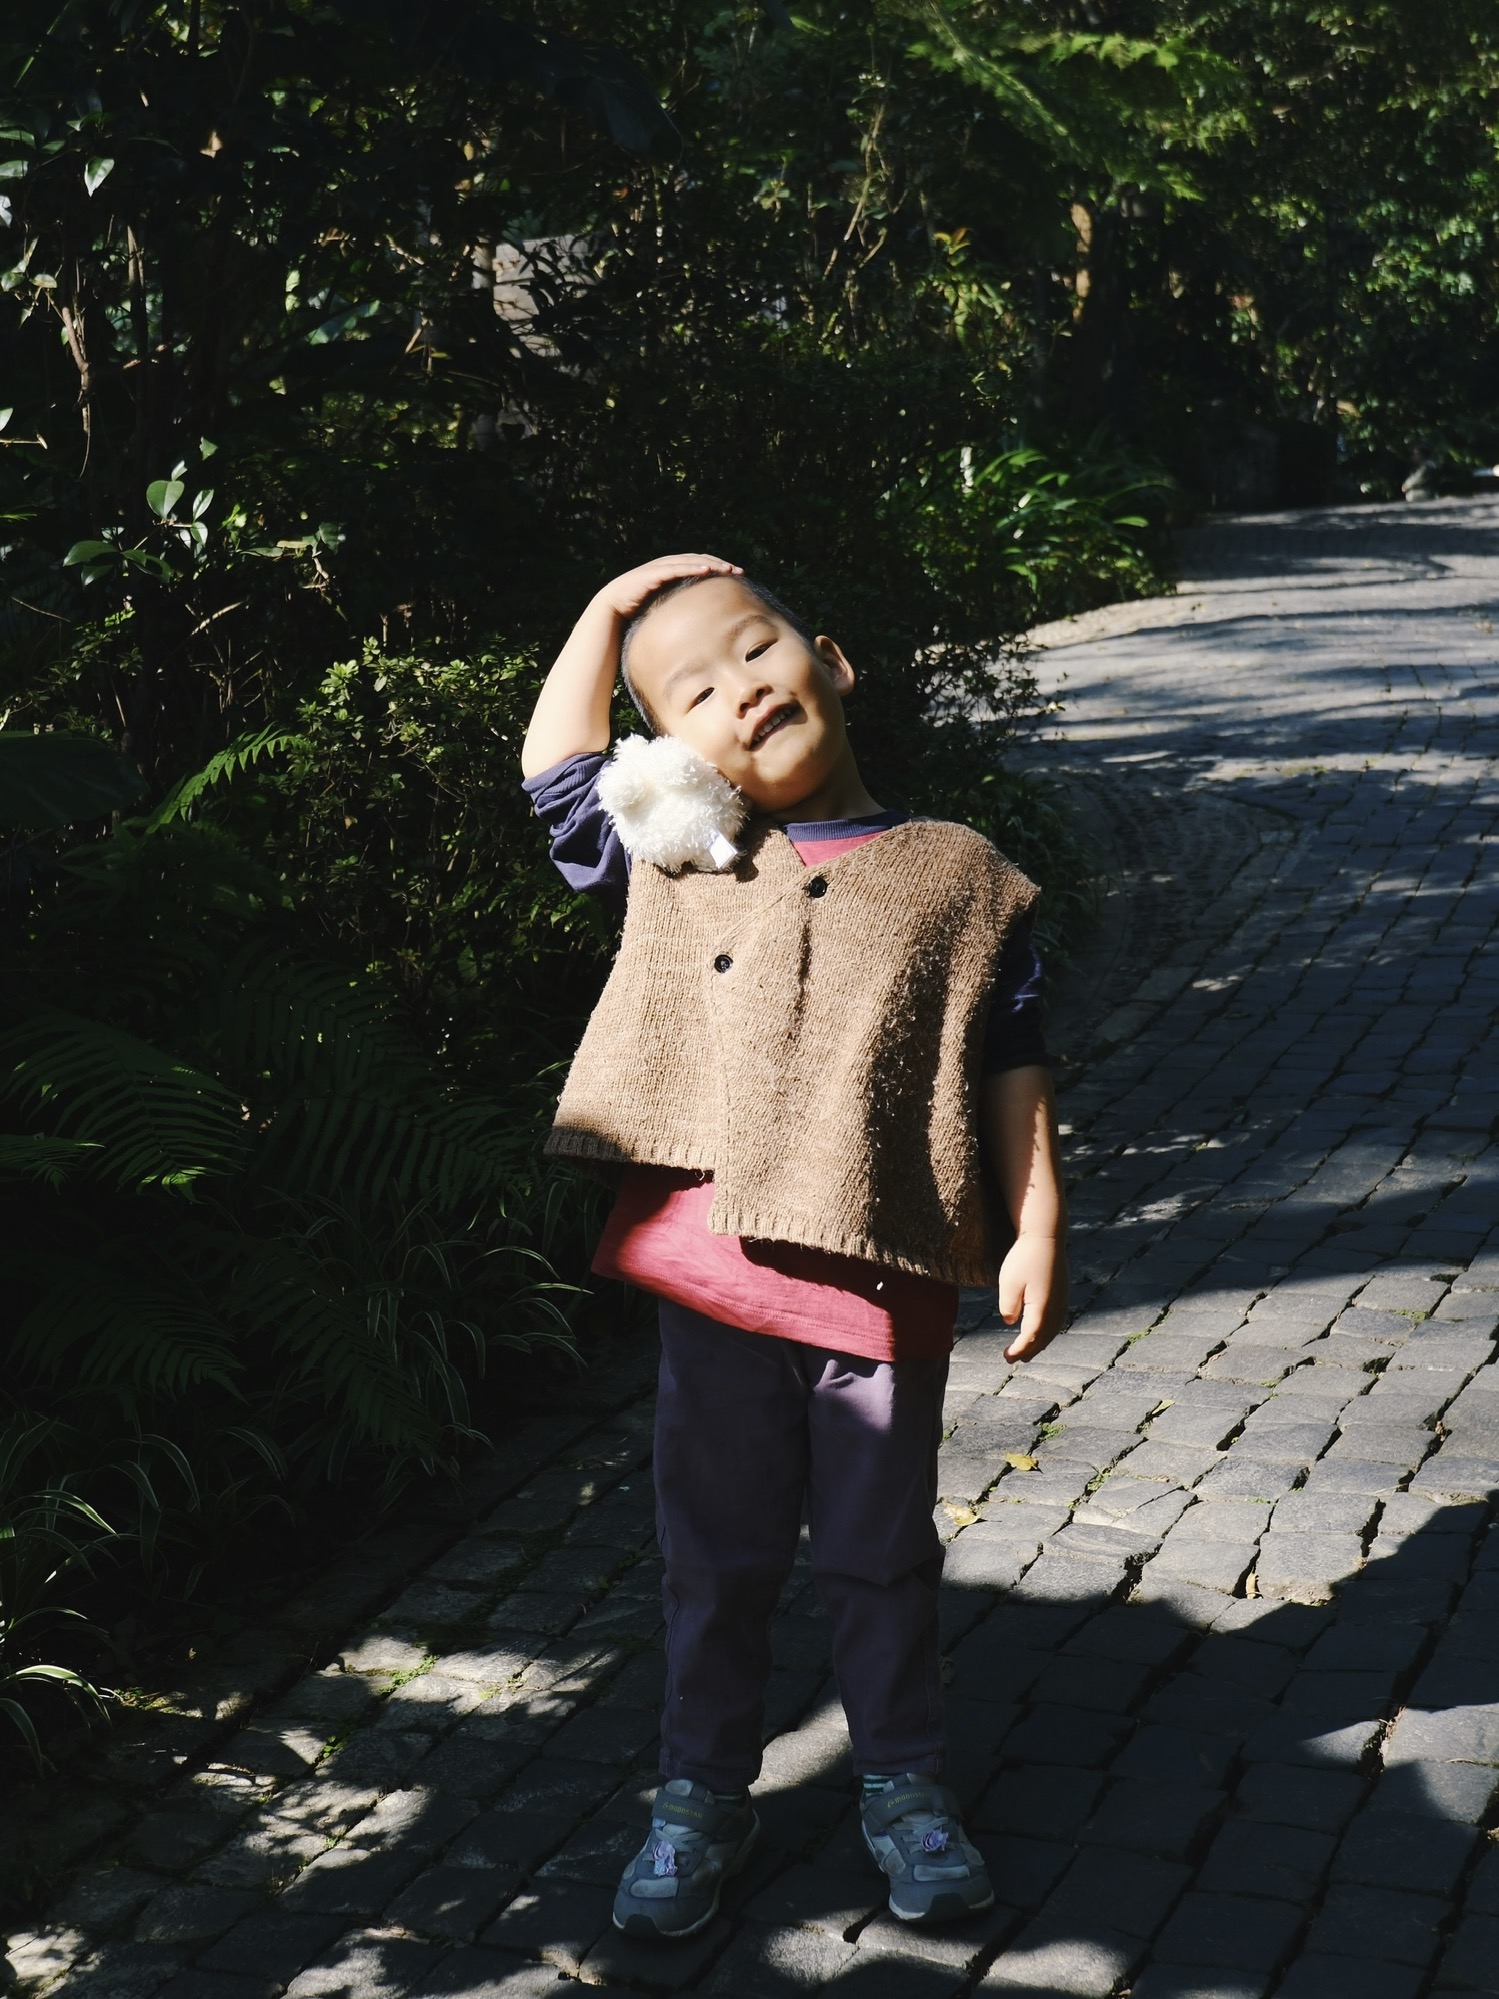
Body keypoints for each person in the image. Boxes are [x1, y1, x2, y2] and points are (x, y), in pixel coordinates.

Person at [521, 553, 1069, 1940]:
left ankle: (904, 1784)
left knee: (880, 1555)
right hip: (713, 1283)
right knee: (716, 1557)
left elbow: (1010, 1056)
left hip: (882, 1282)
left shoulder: (960, 875)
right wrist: (605, 612)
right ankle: (701, 1793)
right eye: (693, 693)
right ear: (671, 746)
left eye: (756, 651)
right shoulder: (681, 842)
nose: (740, 692)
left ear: (831, 658)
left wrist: (1037, 1220)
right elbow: (555, 773)